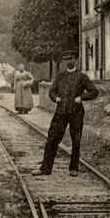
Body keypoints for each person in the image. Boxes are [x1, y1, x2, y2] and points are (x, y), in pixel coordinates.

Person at [32, 49, 98, 177]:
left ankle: (74, 168)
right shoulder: (60, 77)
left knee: (76, 140)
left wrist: (81, 98)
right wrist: (55, 98)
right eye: (66, 59)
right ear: (64, 61)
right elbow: (52, 92)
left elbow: (94, 92)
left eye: (71, 58)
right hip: (61, 112)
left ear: (76, 60)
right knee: (52, 138)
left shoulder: (82, 77)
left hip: (76, 112)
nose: (69, 61)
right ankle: (45, 168)